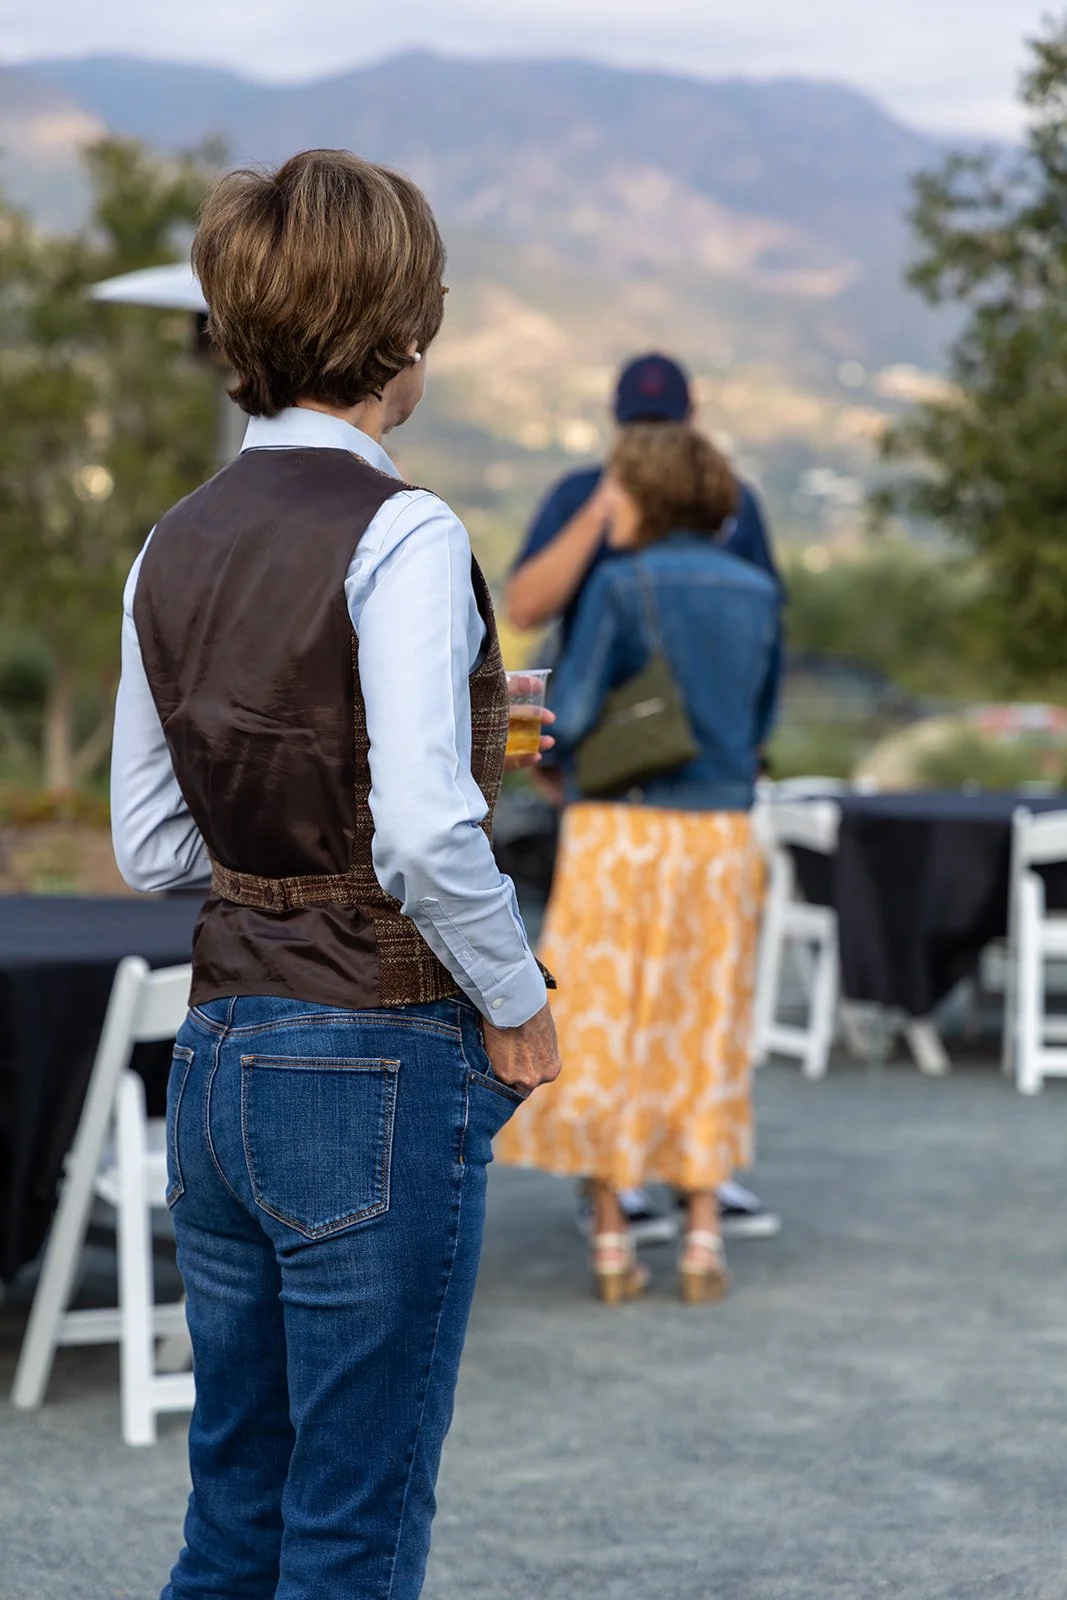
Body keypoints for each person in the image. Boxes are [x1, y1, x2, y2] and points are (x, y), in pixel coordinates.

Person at [110, 149, 560, 1600]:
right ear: (402, 336)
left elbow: (153, 845)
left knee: (236, 1506)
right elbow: (428, 835)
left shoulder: (166, 544)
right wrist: (516, 995)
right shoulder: (408, 529)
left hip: (220, 1055)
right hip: (368, 1052)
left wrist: (441, 724)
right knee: (352, 1525)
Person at [495, 422, 780, 1304]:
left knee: (609, 1028)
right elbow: (762, 722)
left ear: (644, 494)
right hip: (722, 839)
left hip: (622, 833)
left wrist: (522, 742)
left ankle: (613, 1238)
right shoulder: (758, 591)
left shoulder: (620, 582)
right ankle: (701, 1238)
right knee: (704, 1029)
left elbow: (569, 712)